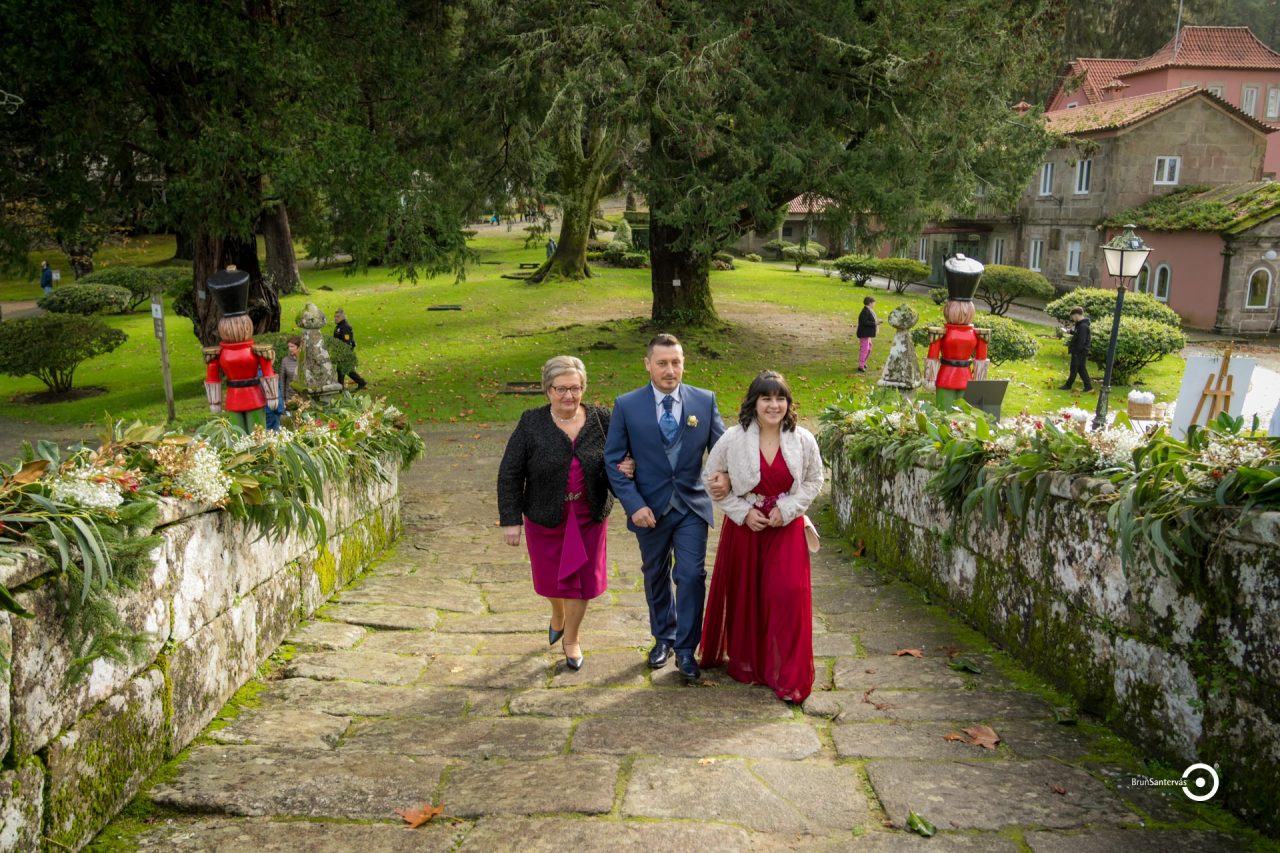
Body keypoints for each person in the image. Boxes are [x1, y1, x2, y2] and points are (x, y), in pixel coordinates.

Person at [605, 333, 726, 683]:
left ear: (683, 363)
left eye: (676, 362)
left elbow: (723, 452)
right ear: (648, 365)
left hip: (690, 506)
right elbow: (614, 461)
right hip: (649, 509)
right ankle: (664, 638)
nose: (670, 370)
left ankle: (687, 649)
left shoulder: (704, 401)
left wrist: (727, 479)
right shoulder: (627, 405)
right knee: (655, 573)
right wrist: (634, 505)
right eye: (662, 363)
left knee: (690, 575)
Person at [701, 371, 823, 703]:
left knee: (787, 594)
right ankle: (752, 665)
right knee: (748, 595)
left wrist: (789, 508)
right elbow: (709, 479)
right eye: (766, 398)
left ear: (788, 402)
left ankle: (788, 672)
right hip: (746, 529)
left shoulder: (802, 439)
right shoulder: (732, 438)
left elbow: (815, 480)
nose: (773, 405)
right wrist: (741, 511)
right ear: (753, 403)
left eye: (780, 398)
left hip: (786, 527)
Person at [498, 356, 621, 670]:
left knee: (582, 581)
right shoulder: (531, 422)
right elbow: (510, 472)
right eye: (561, 389)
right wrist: (510, 520)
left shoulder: (601, 419)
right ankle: (558, 613)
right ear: (547, 390)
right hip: (545, 516)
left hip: (588, 515)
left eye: (576, 388)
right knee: (551, 580)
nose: (569, 395)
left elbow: (621, 458)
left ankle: (572, 638)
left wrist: (626, 467)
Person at [925, 254, 989, 408]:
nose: (962, 313)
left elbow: (933, 356)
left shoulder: (942, 333)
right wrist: (930, 378)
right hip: (953, 376)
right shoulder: (944, 333)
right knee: (950, 413)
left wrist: (929, 379)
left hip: (954, 376)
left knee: (957, 414)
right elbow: (981, 359)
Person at [266, 336, 301, 430]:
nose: (290, 349)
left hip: (304, 398)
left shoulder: (304, 361)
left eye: (292, 346)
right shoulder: (285, 361)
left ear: (299, 347)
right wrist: (283, 399)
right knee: (291, 425)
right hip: (290, 398)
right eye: (289, 346)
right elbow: (281, 382)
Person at [332, 309, 368, 390]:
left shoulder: (345, 327)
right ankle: (341, 387)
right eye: (335, 317)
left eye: (337, 317)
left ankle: (360, 382)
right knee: (342, 370)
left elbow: (347, 342)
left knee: (344, 369)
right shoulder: (339, 327)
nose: (335, 318)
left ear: (343, 317)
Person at [1059, 307, 1093, 392]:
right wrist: (1069, 332)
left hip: (1079, 352)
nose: (1072, 319)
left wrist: (1076, 352)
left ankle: (1068, 385)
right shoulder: (1082, 325)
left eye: (1073, 317)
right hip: (1081, 351)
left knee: (1074, 368)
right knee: (1081, 369)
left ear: (1076, 315)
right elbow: (1079, 335)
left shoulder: (1083, 326)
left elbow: (1081, 341)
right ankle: (1088, 387)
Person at [856, 296, 878, 372]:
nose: (874, 304)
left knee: (869, 349)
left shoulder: (869, 310)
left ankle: (863, 362)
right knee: (864, 349)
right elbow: (864, 322)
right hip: (864, 334)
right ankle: (861, 366)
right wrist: (875, 323)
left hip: (867, 334)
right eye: (873, 303)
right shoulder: (865, 311)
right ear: (870, 303)